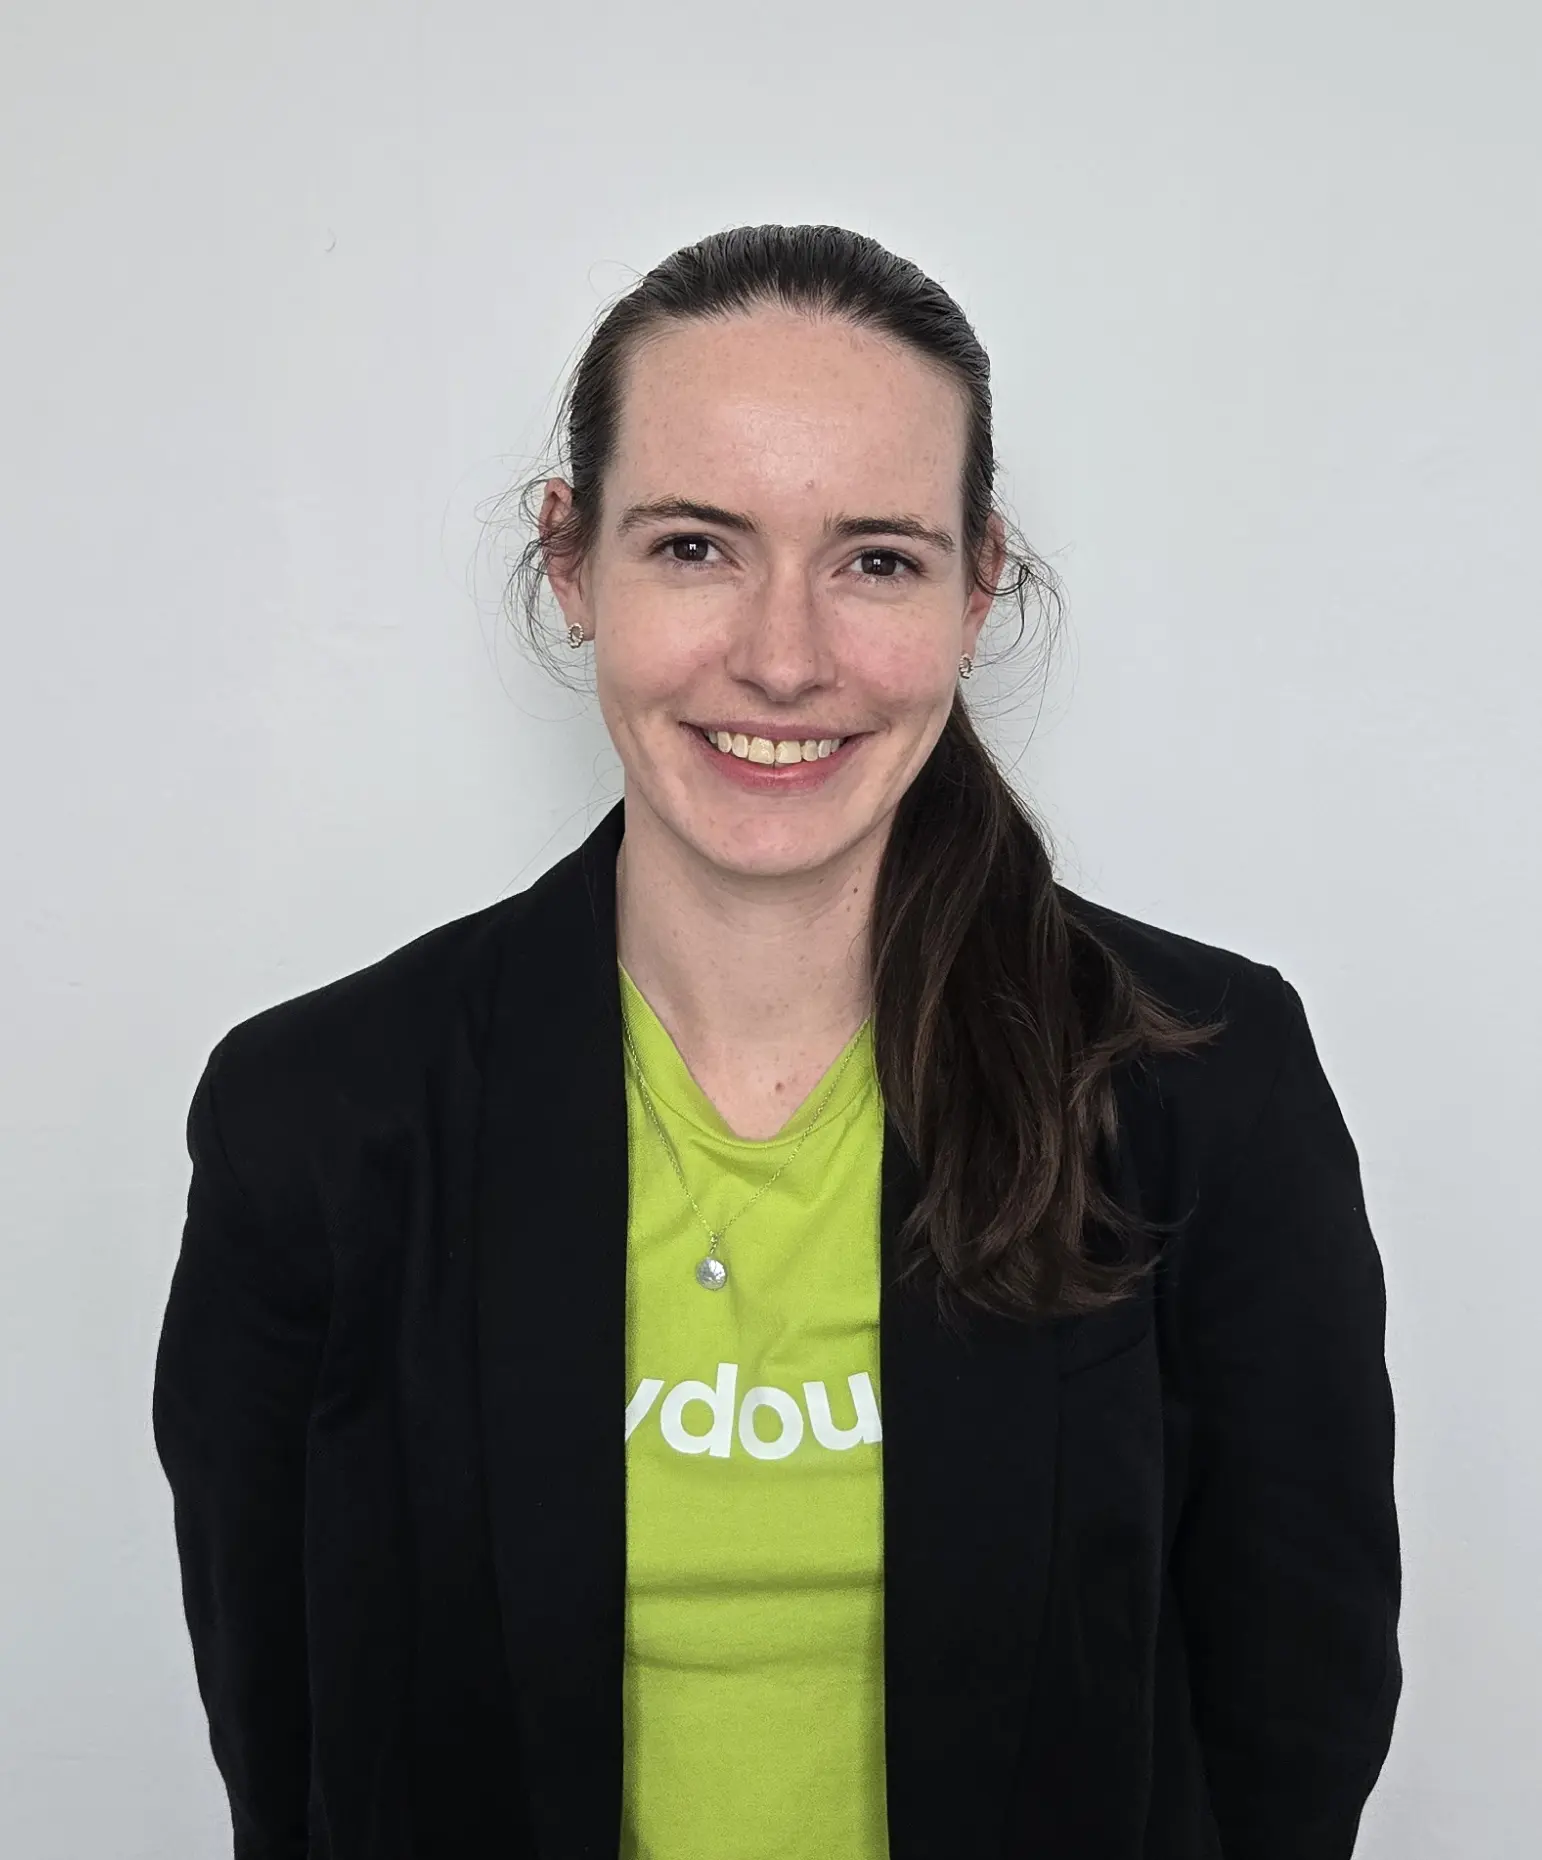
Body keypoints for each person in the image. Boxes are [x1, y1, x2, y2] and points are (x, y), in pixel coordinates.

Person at [152, 223, 1401, 1860]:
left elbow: (1288, 1733)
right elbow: (292, 1754)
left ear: (977, 586)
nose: (785, 655)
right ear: (569, 561)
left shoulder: (1196, 1086)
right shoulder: (317, 1120)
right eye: (694, 546)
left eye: (875, 557)